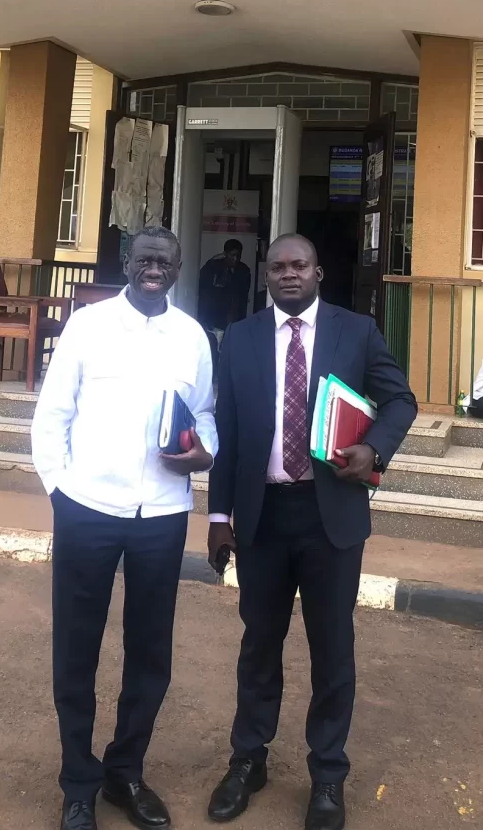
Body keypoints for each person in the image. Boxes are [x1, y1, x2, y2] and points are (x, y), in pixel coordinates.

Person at [207, 234, 417, 830]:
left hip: (332, 518)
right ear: (265, 276)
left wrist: (373, 447)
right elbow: (228, 434)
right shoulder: (242, 339)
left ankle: (328, 773)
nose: (289, 274)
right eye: (278, 267)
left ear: (319, 271)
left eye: (300, 264)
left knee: (332, 650)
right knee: (259, 645)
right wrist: (220, 518)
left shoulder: (357, 332)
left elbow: (400, 400)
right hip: (263, 518)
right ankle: (248, 760)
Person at [32, 226, 218, 830]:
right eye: (144, 259)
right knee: (76, 649)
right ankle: (78, 783)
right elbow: (53, 411)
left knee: (149, 652)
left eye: (165, 259)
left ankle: (125, 771)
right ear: (128, 263)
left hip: (160, 515)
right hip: (86, 508)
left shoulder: (191, 337)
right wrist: (60, 490)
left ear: (180, 264)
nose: (154, 268)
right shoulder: (88, 326)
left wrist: (204, 454)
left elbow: (207, 413)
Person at [198, 239, 252, 346]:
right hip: (214, 314)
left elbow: (243, 295)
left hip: (234, 314)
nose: (235, 259)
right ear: (225, 254)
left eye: (238, 255)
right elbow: (203, 288)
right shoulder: (212, 267)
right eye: (232, 255)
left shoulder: (244, 270)